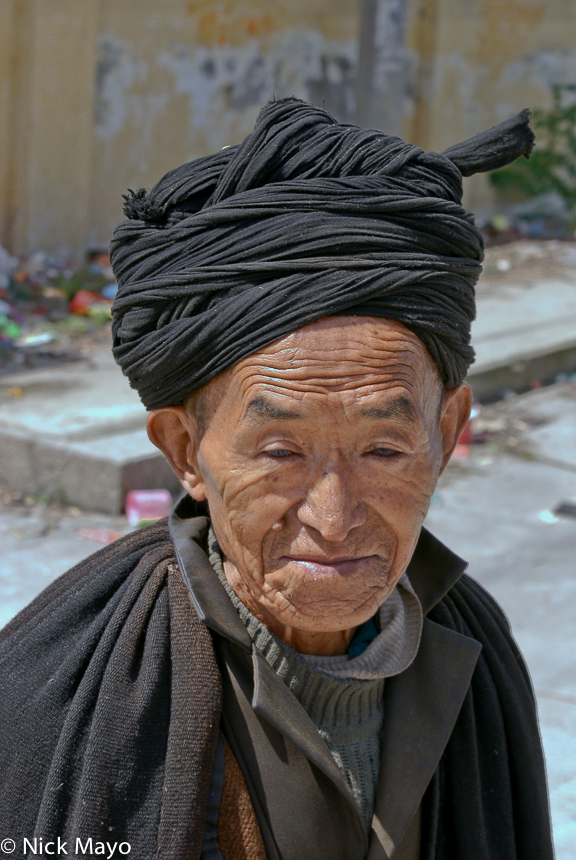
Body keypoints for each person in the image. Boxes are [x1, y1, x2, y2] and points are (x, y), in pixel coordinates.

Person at [0, 100, 553, 860]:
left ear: (448, 433)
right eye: (280, 452)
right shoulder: (52, 690)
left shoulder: (475, 650)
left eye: (384, 451)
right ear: (186, 451)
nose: (333, 517)